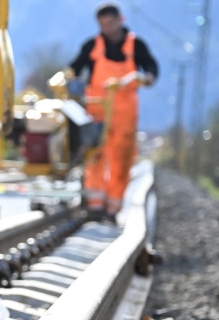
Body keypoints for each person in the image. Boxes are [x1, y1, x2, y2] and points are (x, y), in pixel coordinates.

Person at [68, 2, 157, 216]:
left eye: (110, 22)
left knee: (121, 161)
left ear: (120, 20)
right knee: (95, 158)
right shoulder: (92, 46)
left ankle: (113, 207)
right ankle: (96, 205)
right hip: (97, 112)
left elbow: (151, 68)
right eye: (102, 24)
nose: (107, 28)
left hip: (124, 117)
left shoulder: (136, 46)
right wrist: (68, 79)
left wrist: (147, 78)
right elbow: (74, 67)